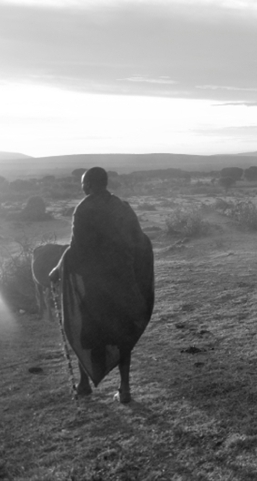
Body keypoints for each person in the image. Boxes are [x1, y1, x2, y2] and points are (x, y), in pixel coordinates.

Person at [51, 167, 154, 403]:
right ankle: (124, 389)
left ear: (88, 184)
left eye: (82, 183)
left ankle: (84, 384)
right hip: (124, 283)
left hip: (96, 285)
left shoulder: (84, 209)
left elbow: (77, 250)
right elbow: (139, 241)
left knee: (89, 330)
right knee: (122, 334)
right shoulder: (122, 207)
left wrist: (58, 269)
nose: (82, 187)